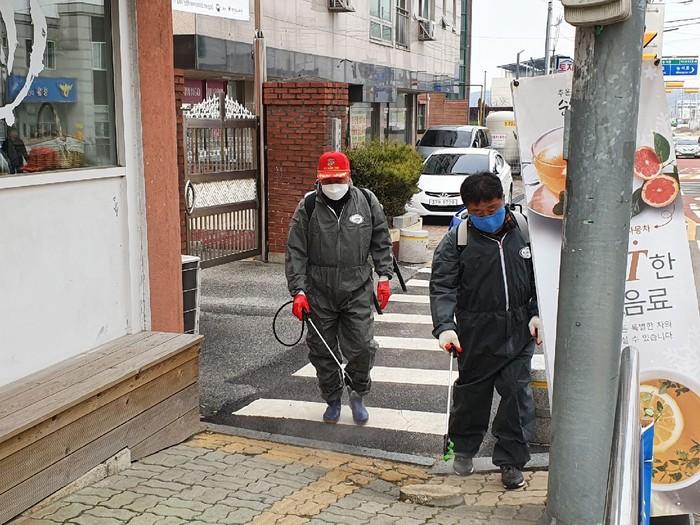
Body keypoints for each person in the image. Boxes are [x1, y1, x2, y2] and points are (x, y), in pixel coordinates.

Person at [429, 173, 541, 490]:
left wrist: (537, 313)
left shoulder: (525, 232)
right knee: (471, 396)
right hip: (475, 331)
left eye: (492, 209)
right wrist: (445, 327)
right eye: (478, 212)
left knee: (516, 396)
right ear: (467, 209)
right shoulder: (457, 241)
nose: (486, 216)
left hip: (518, 329)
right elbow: (442, 286)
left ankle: (511, 462)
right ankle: (462, 451)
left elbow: (541, 277)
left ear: (503, 200)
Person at [285, 151, 393, 424]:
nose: (333, 184)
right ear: (319, 179)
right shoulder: (308, 206)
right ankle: (332, 398)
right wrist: (298, 291)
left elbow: (381, 239)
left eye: (338, 179)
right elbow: (295, 250)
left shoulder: (366, 201)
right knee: (322, 349)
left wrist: (384, 276)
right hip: (319, 290)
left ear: (349, 177)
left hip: (357, 287)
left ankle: (357, 393)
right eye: (328, 180)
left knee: (363, 346)